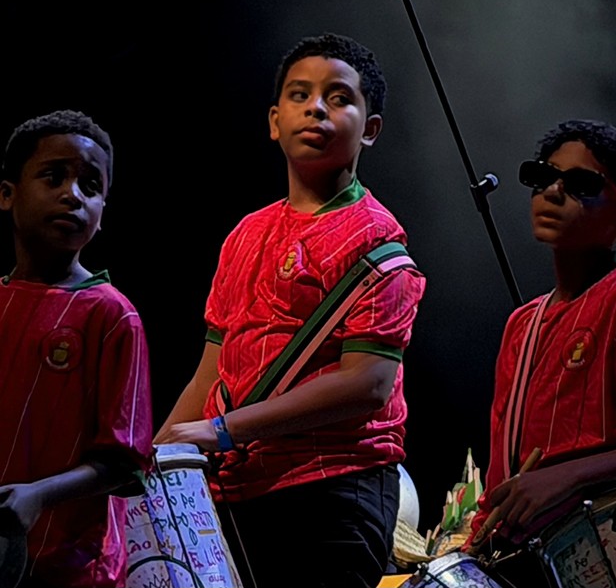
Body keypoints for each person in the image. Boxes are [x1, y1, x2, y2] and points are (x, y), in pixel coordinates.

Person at [157, 34, 426, 588]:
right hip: (238, 490)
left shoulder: (376, 240)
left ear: (369, 129)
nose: (318, 107)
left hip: (332, 489)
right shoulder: (246, 233)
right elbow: (214, 369)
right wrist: (158, 460)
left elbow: (367, 385)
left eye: (339, 97)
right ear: (275, 121)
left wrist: (222, 430)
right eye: (300, 95)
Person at [476, 120, 616, 557]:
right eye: (542, 177)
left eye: (581, 184)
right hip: (533, 554)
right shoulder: (522, 323)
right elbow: (504, 462)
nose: (553, 192)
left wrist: (566, 476)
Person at [0, 110, 151, 587]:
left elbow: (123, 461)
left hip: (71, 568)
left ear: (103, 211)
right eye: (53, 176)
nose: (72, 194)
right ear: (8, 194)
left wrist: (39, 495)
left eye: (90, 185)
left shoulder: (111, 315)